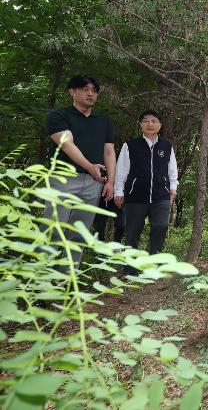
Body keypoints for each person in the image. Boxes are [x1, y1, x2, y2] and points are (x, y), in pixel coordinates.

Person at [41, 74, 116, 275]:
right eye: (85, 89)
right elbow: (67, 144)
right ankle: (39, 286)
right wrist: (91, 166)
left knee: (79, 234)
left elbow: (109, 152)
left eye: (94, 90)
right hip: (62, 179)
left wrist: (111, 182)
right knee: (53, 231)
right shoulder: (58, 116)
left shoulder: (104, 121)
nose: (90, 94)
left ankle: (67, 281)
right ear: (72, 92)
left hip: (93, 183)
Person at [114, 110, 179, 276]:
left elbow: (172, 170)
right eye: (146, 121)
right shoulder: (130, 145)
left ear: (160, 125)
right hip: (135, 196)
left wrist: (173, 187)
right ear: (141, 124)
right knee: (133, 231)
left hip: (161, 195)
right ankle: (131, 269)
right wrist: (118, 191)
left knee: (160, 226)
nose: (150, 124)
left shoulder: (166, 146)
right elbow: (121, 170)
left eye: (154, 121)